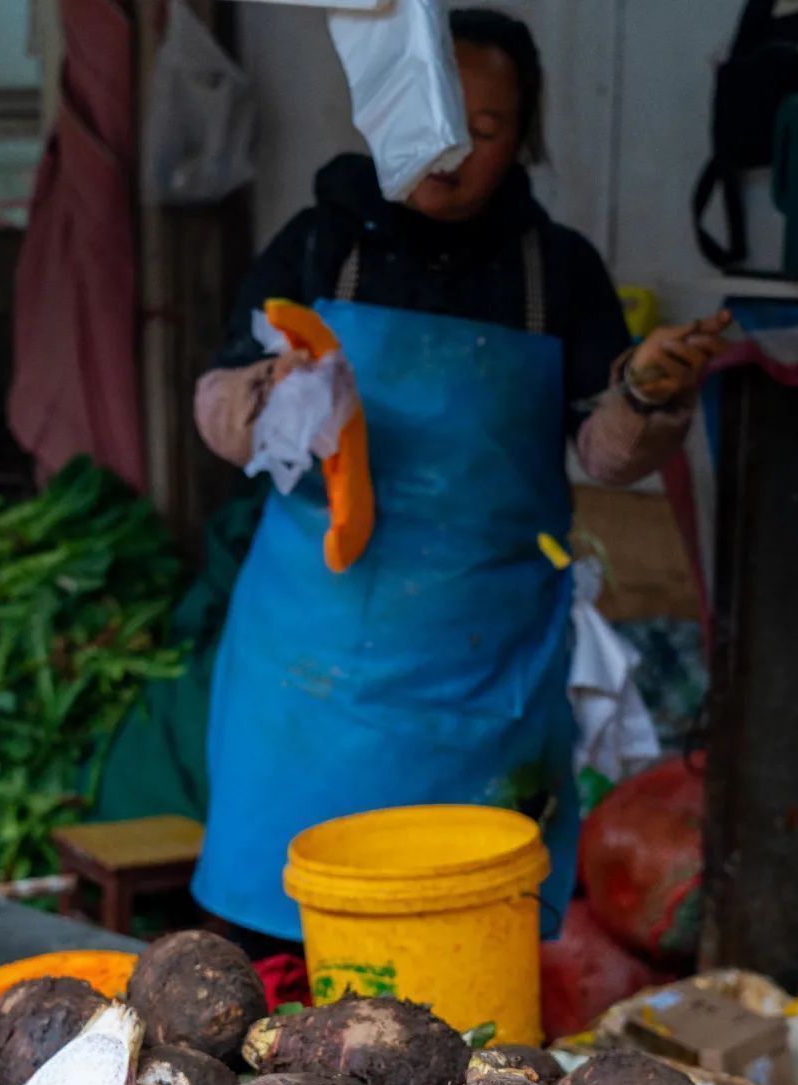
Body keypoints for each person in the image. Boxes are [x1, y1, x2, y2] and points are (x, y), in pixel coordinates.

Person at [190, 8, 730, 942]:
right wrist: (263, 392)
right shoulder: (322, 243)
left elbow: (600, 451)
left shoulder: (553, 268)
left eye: (484, 133)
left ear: (522, 139)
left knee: (461, 947)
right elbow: (218, 405)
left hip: (483, 677)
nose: (450, 155)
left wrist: (643, 396)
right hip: (307, 680)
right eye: (436, 123)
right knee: (283, 943)